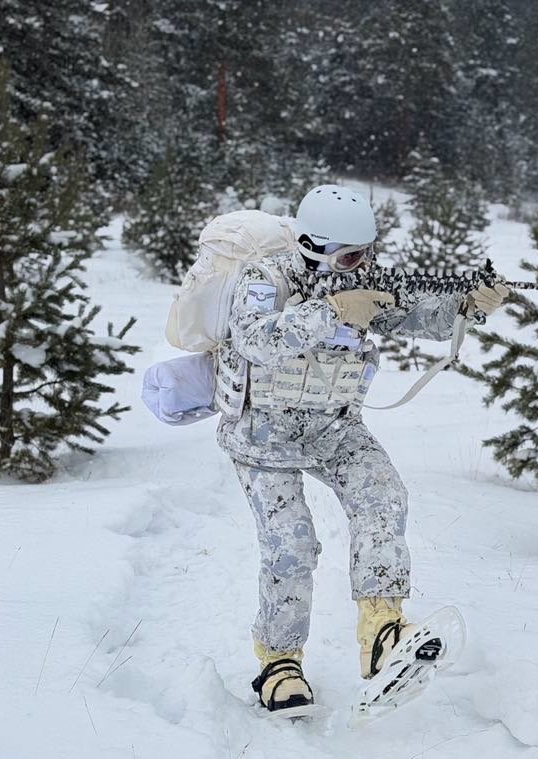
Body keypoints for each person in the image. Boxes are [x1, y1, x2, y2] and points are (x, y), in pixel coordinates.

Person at [213, 184, 508, 714]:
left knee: (383, 500)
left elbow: (412, 315)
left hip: (334, 427)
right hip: (263, 438)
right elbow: (255, 339)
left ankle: (383, 635)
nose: (363, 264)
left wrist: (465, 306)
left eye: (367, 253)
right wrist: (332, 312)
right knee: (292, 545)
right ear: (312, 244)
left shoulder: (361, 280)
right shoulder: (264, 279)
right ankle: (280, 663)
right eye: (350, 255)